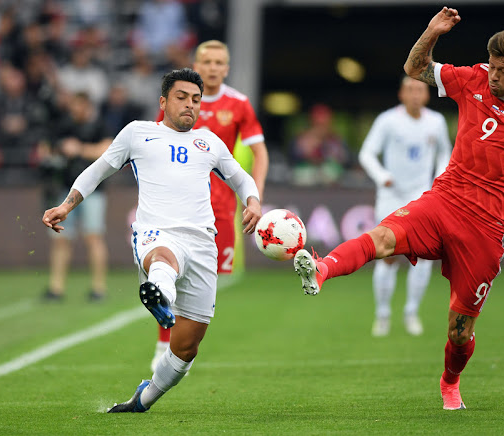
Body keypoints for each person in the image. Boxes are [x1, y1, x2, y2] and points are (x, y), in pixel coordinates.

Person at [293, 7, 504, 410]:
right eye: (493, 66)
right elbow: (414, 67)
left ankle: (450, 382)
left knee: (460, 331)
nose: (494, 76)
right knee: (382, 237)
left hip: (485, 228)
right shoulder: (473, 78)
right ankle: (322, 269)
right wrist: (431, 31)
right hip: (443, 200)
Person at [42, 68, 262, 413]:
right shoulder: (137, 134)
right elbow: (98, 169)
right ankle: (159, 295)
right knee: (163, 259)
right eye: (181, 97)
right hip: (156, 233)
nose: (190, 105)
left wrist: (253, 202)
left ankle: (143, 399)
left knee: (187, 348)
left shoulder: (210, 142)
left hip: (203, 244)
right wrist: (67, 204)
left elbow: (242, 179)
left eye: (195, 100)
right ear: (163, 101)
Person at [153, 40, 269, 371]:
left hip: (218, 211)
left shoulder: (239, 104)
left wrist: (254, 196)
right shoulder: (178, 99)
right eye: (207, 61)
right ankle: (164, 344)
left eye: (220, 62)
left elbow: (260, 152)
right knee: (172, 270)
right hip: (177, 206)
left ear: (227, 68)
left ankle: (174, 343)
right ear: (197, 64)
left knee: (207, 281)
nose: (213, 67)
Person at [359, 76, 451, 337]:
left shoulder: (436, 122)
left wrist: (439, 178)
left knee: (422, 257)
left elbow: (446, 152)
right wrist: (382, 176)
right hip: (391, 197)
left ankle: (411, 313)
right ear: (401, 94)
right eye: (409, 89)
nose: (414, 94)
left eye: (419, 89)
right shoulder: (387, 121)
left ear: (427, 94)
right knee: (387, 256)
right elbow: (366, 153)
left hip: (422, 198)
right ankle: (383, 315)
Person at [41, 91, 112, 301]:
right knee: (61, 239)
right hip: (65, 189)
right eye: (74, 106)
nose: (76, 110)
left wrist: (79, 148)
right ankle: (56, 288)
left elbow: (107, 150)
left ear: (87, 106)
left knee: (93, 237)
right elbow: (47, 149)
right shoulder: (63, 126)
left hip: (94, 191)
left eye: (80, 106)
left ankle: (98, 288)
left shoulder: (100, 125)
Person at [289, 103, 350, 186]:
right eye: (318, 124)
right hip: (306, 182)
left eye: (324, 123)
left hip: (331, 187)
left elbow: (345, 161)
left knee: (330, 171)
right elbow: (293, 159)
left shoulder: (336, 140)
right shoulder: (301, 139)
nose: (321, 127)